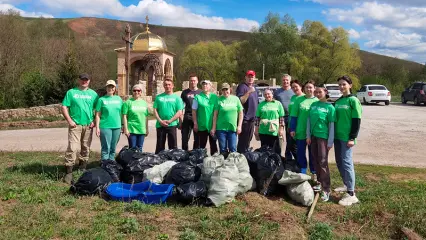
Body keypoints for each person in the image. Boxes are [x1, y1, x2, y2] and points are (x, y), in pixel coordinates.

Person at [61, 73, 99, 184]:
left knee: (85, 147)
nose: (84, 81)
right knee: (73, 148)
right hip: (75, 125)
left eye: (86, 79)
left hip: (88, 125)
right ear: (79, 80)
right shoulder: (71, 92)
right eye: (82, 79)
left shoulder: (93, 94)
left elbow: (98, 109)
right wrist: (69, 120)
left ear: (89, 81)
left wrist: (94, 121)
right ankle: (68, 172)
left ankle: (82, 168)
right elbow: (64, 107)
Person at [334, 75, 362, 206]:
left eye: (344, 84)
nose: (341, 87)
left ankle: (351, 194)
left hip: (347, 138)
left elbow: (356, 120)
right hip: (337, 137)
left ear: (350, 85)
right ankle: (346, 185)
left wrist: (352, 137)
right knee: (339, 162)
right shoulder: (339, 101)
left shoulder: (353, 100)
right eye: (339, 84)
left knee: (347, 163)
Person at [306, 86, 335, 202]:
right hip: (313, 137)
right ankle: (319, 182)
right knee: (315, 160)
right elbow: (308, 121)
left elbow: (332, 125)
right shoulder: (313, 105)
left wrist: (330, 141)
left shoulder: (330, 107)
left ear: (325, 92)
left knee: (323, 162)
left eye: (320, 92)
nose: (318, 94)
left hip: (323, 137)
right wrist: (308, 136)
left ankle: (326, 188)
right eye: (316, 92)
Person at [290, 80, 318, 174]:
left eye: (310, 87)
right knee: (300, 152)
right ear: (304, 89)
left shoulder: (317, 100)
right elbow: (294, 115)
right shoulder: (299, 100)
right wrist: (292, 129)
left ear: (314, 88)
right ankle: (302, 171)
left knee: (313, 154)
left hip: (313, 132)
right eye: (307, 87)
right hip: (301, 130)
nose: (309, 89)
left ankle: (314, 172)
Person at [211, 83, 243, 155]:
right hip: (221, 129)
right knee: (223, 149)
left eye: (227, 89)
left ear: (230, 89)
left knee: (233, 148)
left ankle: (232, 165)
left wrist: (239, 126)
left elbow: (241, 113)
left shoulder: (236, 99)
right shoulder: (218, 100)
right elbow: (215, 115)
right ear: (221, 91)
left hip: (232, 128)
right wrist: (213, 128)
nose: (225, 91)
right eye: (223, 90)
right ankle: (224, 165)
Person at [95, 80, 123, 161]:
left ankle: (111, 165)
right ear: (106, 88)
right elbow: (97, 115)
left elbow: (122, 113)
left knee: (113, 148)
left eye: (112, 86)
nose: (110, 88)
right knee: (106, 148)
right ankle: (105, 166)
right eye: (109, 86)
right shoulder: (101, 100)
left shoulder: (119, 99)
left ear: (115, 88)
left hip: (117, 126)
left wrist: (123, 125)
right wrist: (97, 127)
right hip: (105, 126)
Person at [153, 78, 183, 154]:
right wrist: (160, 121)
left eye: (169, 84)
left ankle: (172, 162)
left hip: (172, 124)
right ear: (163, 86)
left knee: (173, 146)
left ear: (172, 86)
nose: (167, 86)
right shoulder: (159, 97)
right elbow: (155, 110)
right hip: (160, 124)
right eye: (166, 85)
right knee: (160, 146)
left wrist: (170, 121)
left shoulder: (177, 98)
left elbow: (179, 112)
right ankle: (158, 161)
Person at [254, 88, 285, 154]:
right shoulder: (261, 104)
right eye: (265, 94)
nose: (267, 95)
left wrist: (281, 129)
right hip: (263, 130)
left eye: (268, 94)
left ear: (272, 94)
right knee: (264, 148)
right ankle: (266, 163)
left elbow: (281, 118)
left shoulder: (278, 104)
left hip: (274, 130)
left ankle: (276, 162)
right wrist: (256, 130)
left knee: (275, 148)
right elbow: (257, 118)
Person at [192, 80, 218, 155]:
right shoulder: (197, 97)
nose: (204, 86)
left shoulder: (214, 97)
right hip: (202, 125)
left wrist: (213, 127)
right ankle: (201, 162)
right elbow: (194, 111)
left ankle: (214, 162)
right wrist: (195, 123)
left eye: (206, 84)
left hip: (212, 125)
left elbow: (215, 113)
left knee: (213, 145)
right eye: (203, 85)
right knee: (201, 146)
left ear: (210, 86)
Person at [236, 70, 259, 153]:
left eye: (252, 77)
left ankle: (245, 157)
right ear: (245, 77)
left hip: (253, 119)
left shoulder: (255, 88)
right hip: (245, 119)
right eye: (249, 77)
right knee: (243, 141)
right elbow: (241, 101)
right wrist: (248, 92)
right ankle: (240, 157)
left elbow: (257, 103)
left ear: (254, 78)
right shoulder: (242, 87)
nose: (250, 78)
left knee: (248, 141)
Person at [122, 84, 149, 152]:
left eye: (138, 90)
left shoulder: (144, 103)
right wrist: (126, 129)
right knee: (132, 149)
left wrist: (147, 129)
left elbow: (146, 117)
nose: (136, 92)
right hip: (132, 129)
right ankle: (131, 162)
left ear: (141, 92)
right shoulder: (128, 102)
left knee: (140, 148)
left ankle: (138, 162)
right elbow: (124, 116)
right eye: (134, 90)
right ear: (132, 92)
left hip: (141, 129)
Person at [274, 74, 295, 158]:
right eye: (283, 80)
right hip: (280, 117)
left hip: (291, 117)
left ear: (289, 81)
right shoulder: (277, 92)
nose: (285, 81)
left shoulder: (294, 91)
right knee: (279, 137)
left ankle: (289, 157)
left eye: (287, 80)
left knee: (290, 138)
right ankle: (277, 157)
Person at [180, 73, 201, 151]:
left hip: (198, 118)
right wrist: (180, 120)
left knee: (197, 138)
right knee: (185, 138)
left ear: (197, 81)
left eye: (194, 80)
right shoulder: (184, 93)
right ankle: (184, 153)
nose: (193, 82)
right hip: (187, 116)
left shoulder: (201, 93)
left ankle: (195, 154)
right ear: (189, 81)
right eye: (191, 81)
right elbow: (181, 107)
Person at [286, 79, 305, 161]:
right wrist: (290, 125)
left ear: (300, 87)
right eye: (293, 87)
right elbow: (291, 113)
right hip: (291, 125)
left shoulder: (304, 97)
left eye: (296, 86)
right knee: (289, 146)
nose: (295, 89)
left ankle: (300, 164)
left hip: (300, 126)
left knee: (296, 148)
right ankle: (291, 164)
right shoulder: (293, 97)